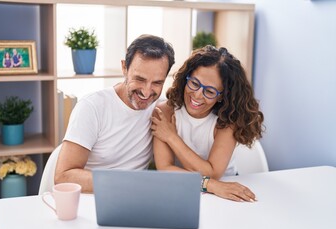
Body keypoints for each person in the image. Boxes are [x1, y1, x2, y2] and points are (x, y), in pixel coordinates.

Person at [54, 34, 175, 193]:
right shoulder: (92, 107)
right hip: (91, 198)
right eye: (139, 79)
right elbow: (63, 177)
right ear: (124, 68)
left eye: (157, 82)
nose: (146, 92)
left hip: (132, 202)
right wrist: (126, 183)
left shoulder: (160, 109)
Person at [151, 45, 264, 202]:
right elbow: (165, 168)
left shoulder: (226, 121)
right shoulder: (165, 112)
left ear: (221, 96)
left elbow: (213, 173)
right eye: (195, 84)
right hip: (186, 187)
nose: (197, 95)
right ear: (186, 78)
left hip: (228, 189)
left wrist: (171, 137)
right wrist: (210, 185)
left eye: (210, 92)